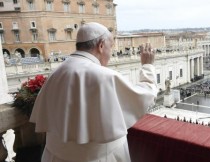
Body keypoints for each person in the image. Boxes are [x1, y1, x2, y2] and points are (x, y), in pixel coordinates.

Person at [30, 22, 157, 162]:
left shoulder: (56, 73)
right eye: (111, 47)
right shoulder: (105, 76)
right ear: (101, 45)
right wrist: (147, 65)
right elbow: (146, 95)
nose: (111, 53)